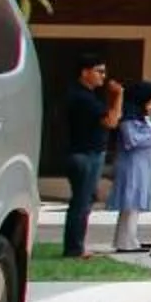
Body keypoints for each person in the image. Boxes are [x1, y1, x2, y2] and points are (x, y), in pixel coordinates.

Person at [58, 56, 118, 260]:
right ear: (85, 72)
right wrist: (119, 96)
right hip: (84, 155)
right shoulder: (81, 97)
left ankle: (77, 246)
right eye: (99, 71)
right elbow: (111, 121)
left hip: (89, 153)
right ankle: (74, 249)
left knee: (85, 201)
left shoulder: (88, 96)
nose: (103, 76)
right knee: (81, 202)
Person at [107, 80, 151, 254]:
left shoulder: (141, 117)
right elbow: (133, 140)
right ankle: (126, 242)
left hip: (142, 165)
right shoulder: (128, 118)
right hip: (131, 166)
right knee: (130, 204)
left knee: (134, 205)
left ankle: (131, 239)